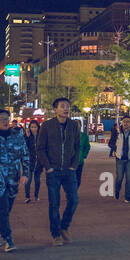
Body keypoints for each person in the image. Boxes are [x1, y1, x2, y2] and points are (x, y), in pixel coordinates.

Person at [38, 96, 82, 246]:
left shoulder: (74, 125)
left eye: (67, 106)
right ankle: (56, 234)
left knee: (74, 200)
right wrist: (48, 167)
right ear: (55, 109)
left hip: (69, 171)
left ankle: (64, 226)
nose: (66, 109)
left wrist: (74, 165)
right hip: (53, 171)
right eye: (62, 106)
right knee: (54, 204)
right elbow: (40, 148)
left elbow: (78, 147)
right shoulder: (47, 126)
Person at [0, 108, 29, 252]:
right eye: (1, 119)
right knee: (2, 207)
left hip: (13, 177)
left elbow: (25, 155)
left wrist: (26, 174)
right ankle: (8, 239)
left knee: (7, 208)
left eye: (6, 119)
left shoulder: (17, 135)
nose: (5, 122)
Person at [108, 113, 130, 202]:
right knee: (119, 178)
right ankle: (117, 191)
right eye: (124, 122)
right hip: (119, 158)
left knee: (129, 178)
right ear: (121, 122)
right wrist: (116, 149)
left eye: (128, 122)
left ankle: (127, 197)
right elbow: (110, 143)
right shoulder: (117, 133)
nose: (126, 123)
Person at [22, 120, 40, 203]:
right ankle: (27, 196)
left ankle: (36, 195)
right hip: (29, 161)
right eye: (32, 127)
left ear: (38, 127)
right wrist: (27, 137)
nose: (34, 129)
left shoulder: (41, 136)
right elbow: (24, 147)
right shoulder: (27, 136)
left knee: (37, 179)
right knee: (28, 179)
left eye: (35, 127)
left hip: (39, 161)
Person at [76, 119, 92, 188]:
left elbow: (87, 147)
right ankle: (71, 194)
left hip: (79, 161)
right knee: (70, 179)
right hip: (69, 162)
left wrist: (84, 155)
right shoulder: (68, 135)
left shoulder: (84, 136)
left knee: (78, 179)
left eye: (78, 125)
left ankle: (74, 192)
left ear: (80, 126)